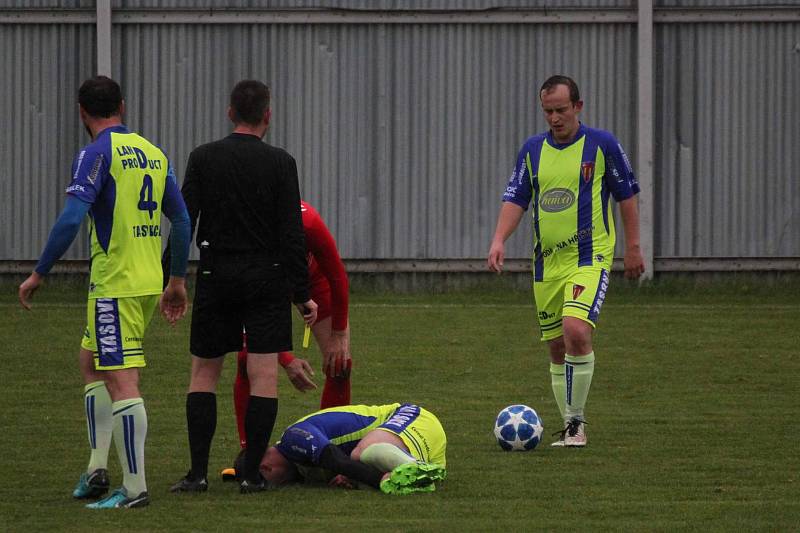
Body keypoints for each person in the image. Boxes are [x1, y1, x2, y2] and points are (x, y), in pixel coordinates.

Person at [17, 76, 191, 509]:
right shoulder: (153, 152)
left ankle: (135, 489)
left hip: (117, 283)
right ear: (123, 106)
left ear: (82, 111)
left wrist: (39, 272)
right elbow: (182, 220)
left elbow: (72, 218)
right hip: (146, 280)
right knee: (90, 359)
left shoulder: (95, 153)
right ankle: (97, 469)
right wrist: (176, 280)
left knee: (121, 379)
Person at [169, 80, 318, 496]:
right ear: (267, 115)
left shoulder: (203, 158)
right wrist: (301, 293)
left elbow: (185, 222)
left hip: (216, 273)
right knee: (263, 374)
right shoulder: (281, 163)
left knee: (203, 373)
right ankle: (252, 475)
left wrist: (173, 277)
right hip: (266, 276)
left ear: (230, 111)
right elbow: (292, 233)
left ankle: (197, 474)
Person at [487, 75, 645, 447]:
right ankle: (571, 425)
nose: (554, 118)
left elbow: (627, 197)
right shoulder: (532, 150)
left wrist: (634, 247)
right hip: (546, 265)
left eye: (560, 110)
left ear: (578, 106)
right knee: (557, 346)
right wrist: (498, 239)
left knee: (576, 330)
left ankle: (576, 427)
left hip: (589, 258)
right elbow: (516, 198)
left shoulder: (602, 145)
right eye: (547, 111)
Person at [258, 403, 447, 495]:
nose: (279, 485)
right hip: (410, 442)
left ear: (265, 468)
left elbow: (337, 460)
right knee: (359, 458)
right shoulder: (300, 466)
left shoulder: (293, 436)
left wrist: (379, 480)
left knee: (360, 453)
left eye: (268, 482)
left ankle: (417, 467)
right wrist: (349, 477)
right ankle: (421, 476)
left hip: (412, 418)